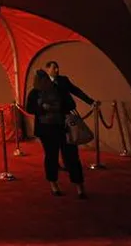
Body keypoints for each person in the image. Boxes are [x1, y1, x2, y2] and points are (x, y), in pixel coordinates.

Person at [26, 65, 98, 199]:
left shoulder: (59, 88)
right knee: (51, 157)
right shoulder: (34, 93)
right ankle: (55, 184)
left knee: (71, 157)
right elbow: (30, 109)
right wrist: (42, 107)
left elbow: (71, 103)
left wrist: (59, 107)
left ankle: (79, 186)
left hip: (64, 127)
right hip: (46, 130)